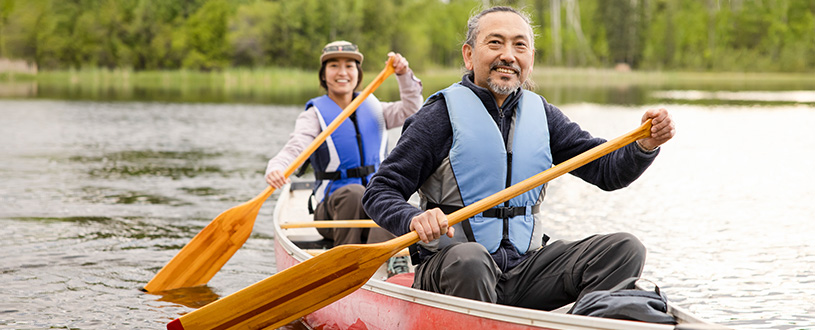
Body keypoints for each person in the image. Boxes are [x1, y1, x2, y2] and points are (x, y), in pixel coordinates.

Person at [362, 6, 676, 313]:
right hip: (454, 269)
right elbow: (380, 191)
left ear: (530, 59)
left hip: (526, 269)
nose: (508, 55)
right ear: (469, 55)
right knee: (471, 260)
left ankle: (578, 322)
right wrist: (413, 219)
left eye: (519, 45)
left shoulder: (545, 116)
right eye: (495, 43)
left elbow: (608, 171)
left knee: (623, 249)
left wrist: (644, 145)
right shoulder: (438, 117)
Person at [266, 40, 423, 246]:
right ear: (323, 74)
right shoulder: (314, 116)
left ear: (358, 73)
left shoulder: (377, 109)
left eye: (349, 66)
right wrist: (277, 167)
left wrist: (403, 74)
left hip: (376, 210)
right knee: (354, 193)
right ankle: (345, 261)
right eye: (334, 66)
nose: (342, 72)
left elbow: (412, 108)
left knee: (387, 196)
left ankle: (385, 261)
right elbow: (297, 146)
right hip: (333, 214)